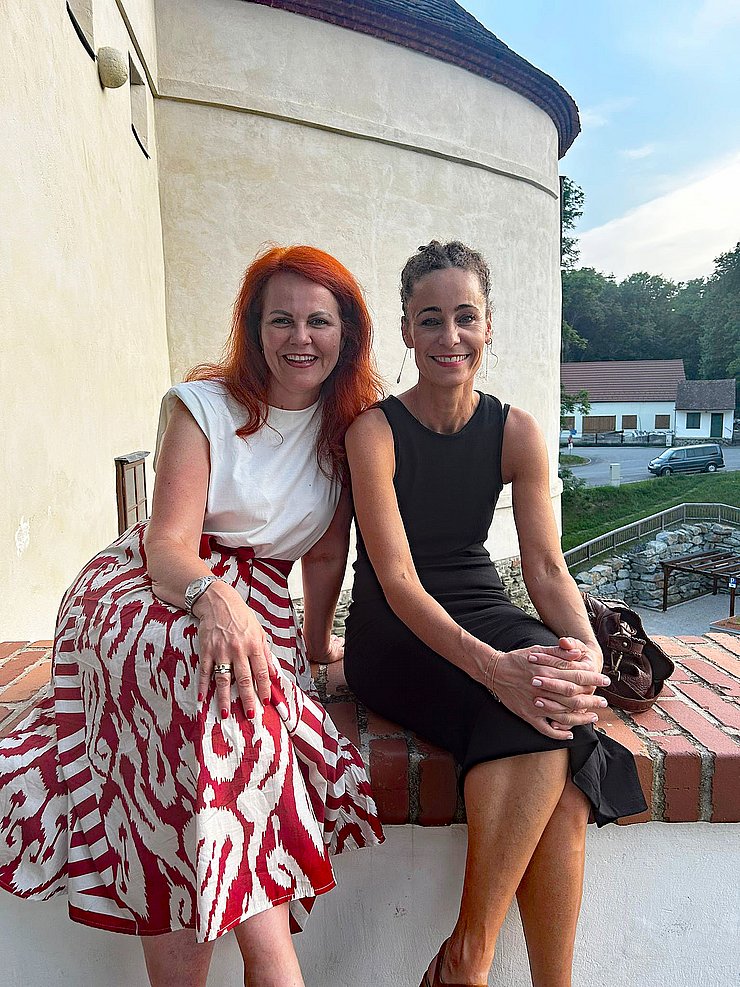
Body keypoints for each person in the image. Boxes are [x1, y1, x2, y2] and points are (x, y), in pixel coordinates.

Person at [0, 245, 385, 987]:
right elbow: (167, 543)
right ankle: (271, 953)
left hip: (258, 602)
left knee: (214, 694)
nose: (299, 337)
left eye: (318, 321)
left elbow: (326, 559)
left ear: (347, 334)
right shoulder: (202, 406)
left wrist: (311, 646)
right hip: (151, 585)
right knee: (197, 669)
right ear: (254, 327)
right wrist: (217, 600)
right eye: (281, 319)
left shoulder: (351, 431)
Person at [343, 241, 646, 987]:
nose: (451, 337)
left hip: (482, 599)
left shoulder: (516, 431)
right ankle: (470, 959)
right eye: (432, 319)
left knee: (556, 704)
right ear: (407, 331)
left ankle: (508, 973)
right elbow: (399, 578)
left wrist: (588, 654)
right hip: (393, 628)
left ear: (489, 327)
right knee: (543, 719)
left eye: (466, 317)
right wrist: (496, 669)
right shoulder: (373, 432)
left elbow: (543, 568)